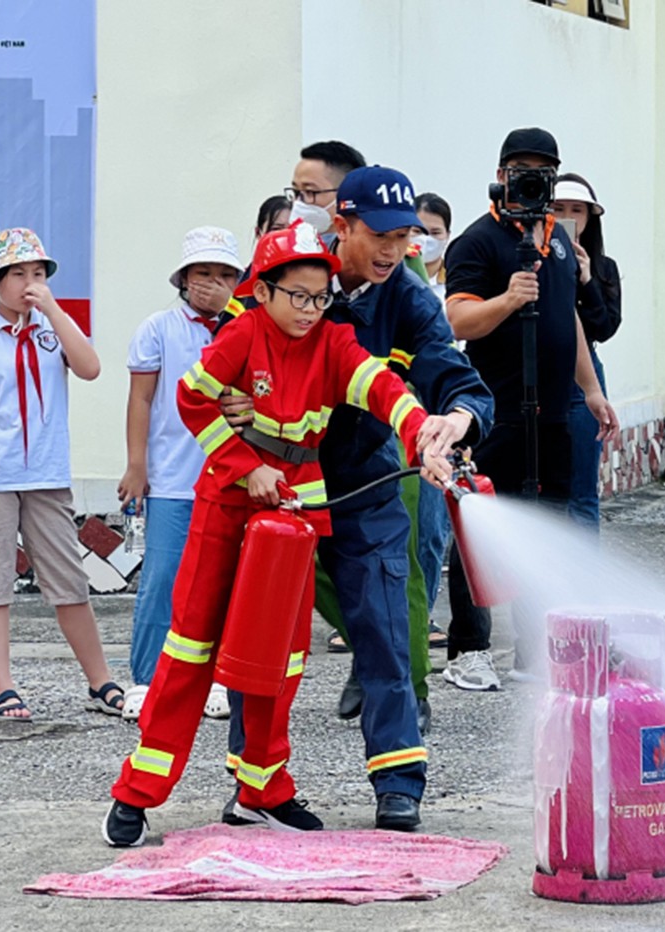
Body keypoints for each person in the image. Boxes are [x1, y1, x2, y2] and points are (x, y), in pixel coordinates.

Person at [104, 222, 461, 846]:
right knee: (190, 649)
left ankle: (262, 790)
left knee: (280, 659)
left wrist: (424, 434)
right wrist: (248, 467)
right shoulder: (240, 333)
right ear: (264, 291)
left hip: (299, 512)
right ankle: (139, 791)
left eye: (320, 297)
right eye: (296, 295)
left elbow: (385, 391)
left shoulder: (334, 343)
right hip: (226, 509)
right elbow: (193, 402)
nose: (308, 310)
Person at [223, 166, 493, 832]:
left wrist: (453, 422)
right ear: (340, 225)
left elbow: (453, 376)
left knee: (385, 636)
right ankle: (253, 785)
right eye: (379, 235)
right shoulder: (289, 269)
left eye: (405, 238)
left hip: (366, 489)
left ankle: (399, 784)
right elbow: (225, 353)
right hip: (279, 491)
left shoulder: (407, 297)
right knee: (260, 644)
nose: (393, 251)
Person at [444, 127, 618, 690]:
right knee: (482, 526)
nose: (530, 180)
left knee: (546, 526)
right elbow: (457, 320)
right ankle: (468, 649)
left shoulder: (558, 239)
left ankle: (532, 651)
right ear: (500, 176)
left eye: (542, 170)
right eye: (520, 169)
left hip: (555, 412)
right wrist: (509, 299)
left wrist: (590, 390)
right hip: (494, 410)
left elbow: (568, 317)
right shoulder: (476, 242)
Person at [0, 228, 119, 720]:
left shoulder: (51, 330)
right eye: (18, 273)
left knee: (69, 582)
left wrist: (54, 312)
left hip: (46, 473)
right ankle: (3, 687)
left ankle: (100, 680)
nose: (29, 282)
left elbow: (90, 369)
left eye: (37, 273)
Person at [117, 227, 244, 722]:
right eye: (203, 273)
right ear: (185, 278)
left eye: (225, 274)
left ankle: (216, 678)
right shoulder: (158, 328)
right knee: (163, 579)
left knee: (225, 583)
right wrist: (136, 465)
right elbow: (141, 399)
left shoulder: (248, 327)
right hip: (172, 477)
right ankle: (146, 680)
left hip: (232, 475)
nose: (213, 283)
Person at [553, 173, 622, 533]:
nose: (569, 216)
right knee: (543, 491)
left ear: (589, 217)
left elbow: (605, 327)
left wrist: (586, 280)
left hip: (585, 380)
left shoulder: (603, 267)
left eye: (577, 210)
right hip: (537, 374)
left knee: (582, 491)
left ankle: (581, 585)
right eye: (559, 208)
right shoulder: (528, 258)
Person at [411, 191, 455, 653]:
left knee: (430, 525)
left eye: (433, 233)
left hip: (438, 424)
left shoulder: (454, 294)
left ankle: (421, 616)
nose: (422, 242)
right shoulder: (395, 290)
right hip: (393, 421)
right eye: (414, 232)